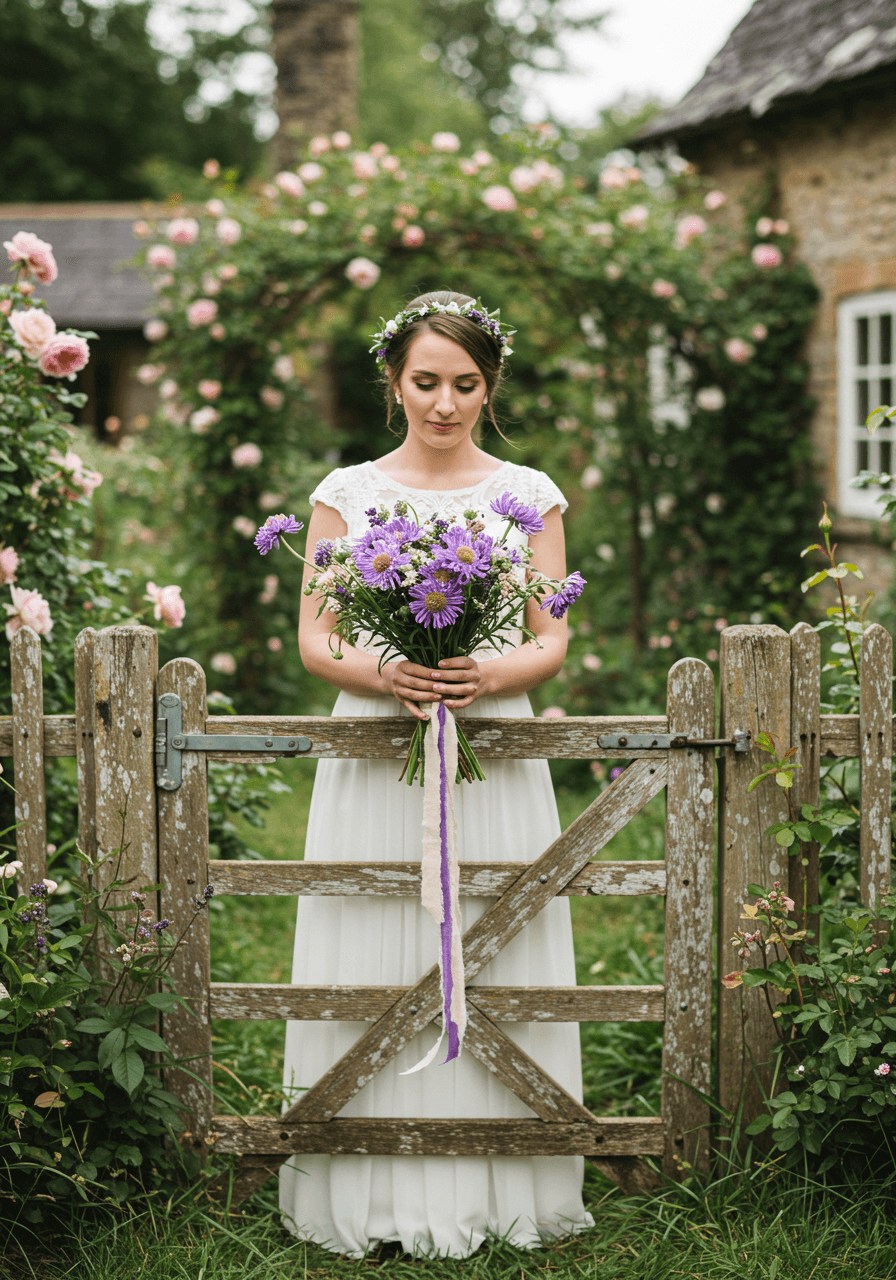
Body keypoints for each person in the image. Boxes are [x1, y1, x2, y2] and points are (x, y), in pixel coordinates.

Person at [281, 289, 592, 1257]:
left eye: (464, 383)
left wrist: (486, 670)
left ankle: (498, 1182)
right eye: (425, 380)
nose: (444, 402)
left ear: (488, 386)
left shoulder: (529, 494)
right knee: (374, 933)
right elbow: (313, 634)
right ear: (392, 380)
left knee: (495, 935)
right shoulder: (346, 492)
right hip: (376, 749)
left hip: (492, 744)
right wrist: (387, 668)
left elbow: (550, 631)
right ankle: (368, 1184)